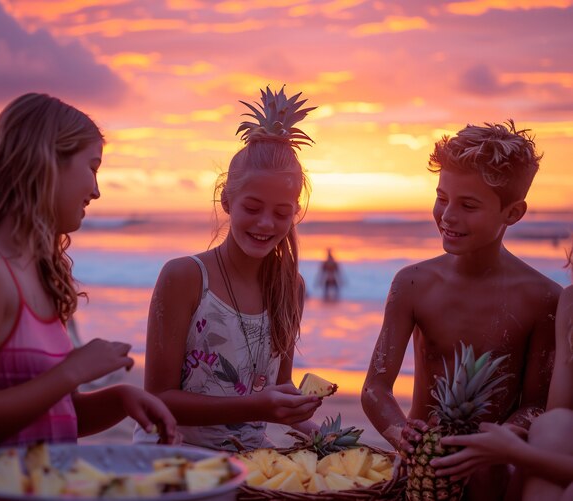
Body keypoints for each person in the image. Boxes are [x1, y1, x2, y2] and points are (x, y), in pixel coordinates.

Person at [0, 93, 176, 448]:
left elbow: (51, 414)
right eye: (92, 167)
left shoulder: (39, 275)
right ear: (47, 162)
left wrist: (120, 401)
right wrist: (75, 369)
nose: (96, 191)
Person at [360, 120, 562, 500]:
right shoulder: (412, 284)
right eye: (442, 197)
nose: (448, 215)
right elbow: (374, 388)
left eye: (468, 205)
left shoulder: (543, 299)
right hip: (421, 469)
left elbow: (537, 404)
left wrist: (498, 442)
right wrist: (400, 433)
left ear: (512, 213)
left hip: (493, 476)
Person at [137, 86, 321, 451]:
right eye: (252, 208)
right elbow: (158, 398)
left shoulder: (290, 287)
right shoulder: (185, 277)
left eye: (282, 213)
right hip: (176, 460)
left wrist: (311, 423)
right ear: (226, 199)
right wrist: (256, 405)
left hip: (251, 465)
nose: (266, 223)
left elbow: (275, 392)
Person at [431, 254, 573, 499]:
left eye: (470, 211)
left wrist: (516, 453)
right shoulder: (570, 303)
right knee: (554, 423)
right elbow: (553, 424)